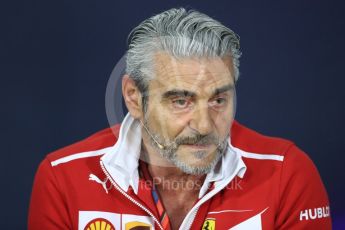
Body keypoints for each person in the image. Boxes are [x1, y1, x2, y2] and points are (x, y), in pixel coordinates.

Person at [28, 8, 332, 230]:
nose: (203, 125)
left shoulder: (286, 172)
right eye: (181, 101)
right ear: (134, 97)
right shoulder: (62, 178)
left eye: (218, 100)